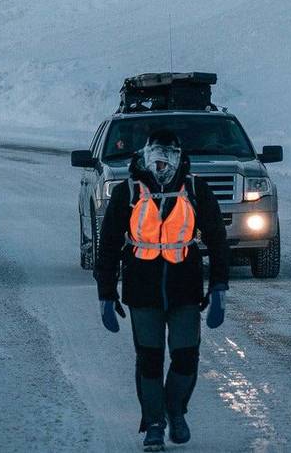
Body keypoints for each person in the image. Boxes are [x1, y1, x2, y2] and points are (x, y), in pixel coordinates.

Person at [94, 129, 230, 451]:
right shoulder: (128, 192)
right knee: (149, 360)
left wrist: (220, 287)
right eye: (157, 153)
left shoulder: (196, 189)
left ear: (179, 157)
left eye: (168, 154)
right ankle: (153, 423)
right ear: (145, 154)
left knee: (186, 359)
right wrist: (105, 292)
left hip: (184, 289)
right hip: (143, 291)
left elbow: (217, 240)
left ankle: (175, 409)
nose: (162, 162)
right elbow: (109, 243)